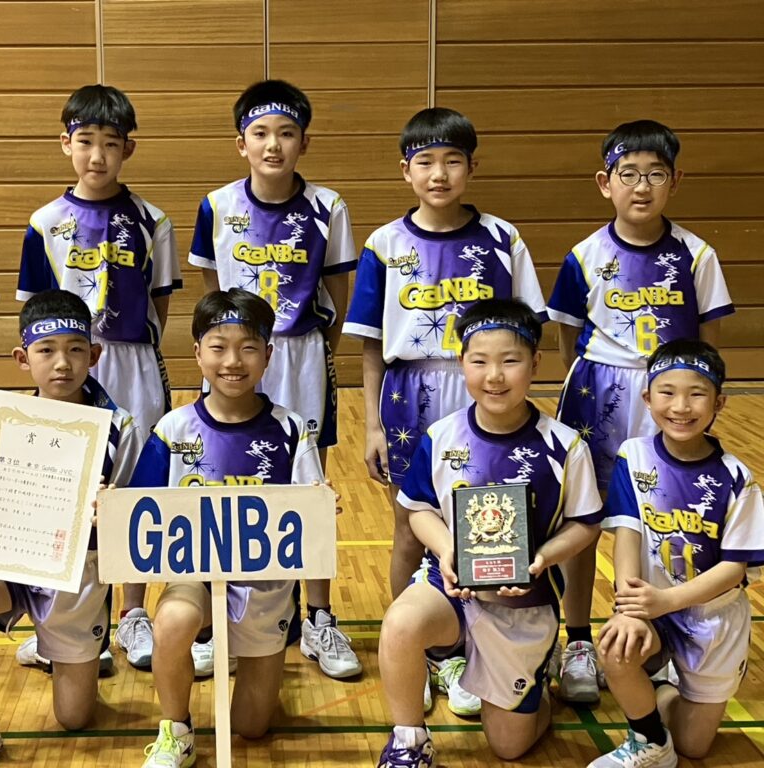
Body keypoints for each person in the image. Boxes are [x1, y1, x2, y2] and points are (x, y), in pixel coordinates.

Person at [343, 107, 546, 710]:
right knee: (411, 522)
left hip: (485, 385)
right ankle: (414, 647)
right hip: (409, 393)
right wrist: (373, 424)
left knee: (486, 520)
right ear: (405, 170)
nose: (439, 174)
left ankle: (472, 647)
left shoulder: (503, 239)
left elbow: (527, 331)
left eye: (452, 161)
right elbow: (371, 343)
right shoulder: (385, 244)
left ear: (471, 167)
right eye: (425, 162)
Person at [547, 120, 735, 704]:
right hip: (597, 394)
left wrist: (683, 397)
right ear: (606, 183)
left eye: (656, 174)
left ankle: (658, 636)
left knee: (666, 516)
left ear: (675, 181)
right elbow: (567, 339)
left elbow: (707, 348)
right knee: (585, 519)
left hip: (669, 397)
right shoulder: (585, 255)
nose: (642, 186)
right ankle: (579, 640)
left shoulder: (697, 255)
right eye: (629, 174)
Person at [376, 298, 602, 767]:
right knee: (400, 623)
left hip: (523, 602)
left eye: (510, 361)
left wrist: (542, 559)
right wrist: (446, 550)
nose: (494, 376)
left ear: (535, 363)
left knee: (509, 747)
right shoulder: (440, 437)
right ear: (462, 362)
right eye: (479, 361)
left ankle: (535, 683)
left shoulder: (565, 447)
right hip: (451, 588)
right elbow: (419, 511)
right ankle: (409, 740)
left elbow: (585, 524)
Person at [188, 79, 360, 679]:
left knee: (308, 485)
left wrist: (315, 349)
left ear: (303, 142)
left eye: (286, 133)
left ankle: (317, 617)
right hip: (237, 353)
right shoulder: (216, 206)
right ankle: (217, 618)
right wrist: (229, 348)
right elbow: (210, 294)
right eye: (260, 133)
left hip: (301, 353)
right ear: (241, 143)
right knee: (218, 476)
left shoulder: (329, 207)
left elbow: (338, 290)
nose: (272, 145)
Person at [0, 290, 143, 767]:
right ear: (22, 358)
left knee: (74, 718)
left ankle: (57, 644)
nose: (62, 363)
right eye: (46, 351)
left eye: (75, 349)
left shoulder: (122, 428)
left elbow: (135, 521)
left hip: (77, 572)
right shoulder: (7, 421)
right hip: (14, 560)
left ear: (94, 355)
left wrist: (112, 507)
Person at [15, 84, 180, 672]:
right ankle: (66, 619)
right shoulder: (45, 223)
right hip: (66, 367)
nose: (97, 156)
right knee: (63, 488)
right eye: (85, 142)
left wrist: (124, 346)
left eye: (110, 144)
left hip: (130, 360)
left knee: (133, 488)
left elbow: (161, 302)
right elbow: (34, 310)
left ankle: (132, 612)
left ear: (128, 149)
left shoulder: (153, 220)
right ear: (66, 144)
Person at [131, 288, 326, 768]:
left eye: (248, 348)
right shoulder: (173, 429)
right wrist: (105, 507)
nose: (233, 362)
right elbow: (136, 507)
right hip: (194, 576)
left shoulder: (291, 429)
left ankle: (242, 654)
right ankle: (176, 729)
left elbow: (312, 514)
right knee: (173, 621)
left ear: (268, 355)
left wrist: (323, 505)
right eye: (218, 347)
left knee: (252, 727)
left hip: (266, 587)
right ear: (198, 353)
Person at [589, 340, 763, 768]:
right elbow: (627, 534)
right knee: (616, 645)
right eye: (667, 392)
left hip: (711, 617)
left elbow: (733, 569)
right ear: (648, 398)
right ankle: (649, 739)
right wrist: (629, 607)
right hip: (652, 606)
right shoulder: (634, 455)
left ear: (719, 402)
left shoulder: (736, 478)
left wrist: (667, 600)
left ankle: (661, 686)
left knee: (695, 747)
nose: (681, 406)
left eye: (697, 394)